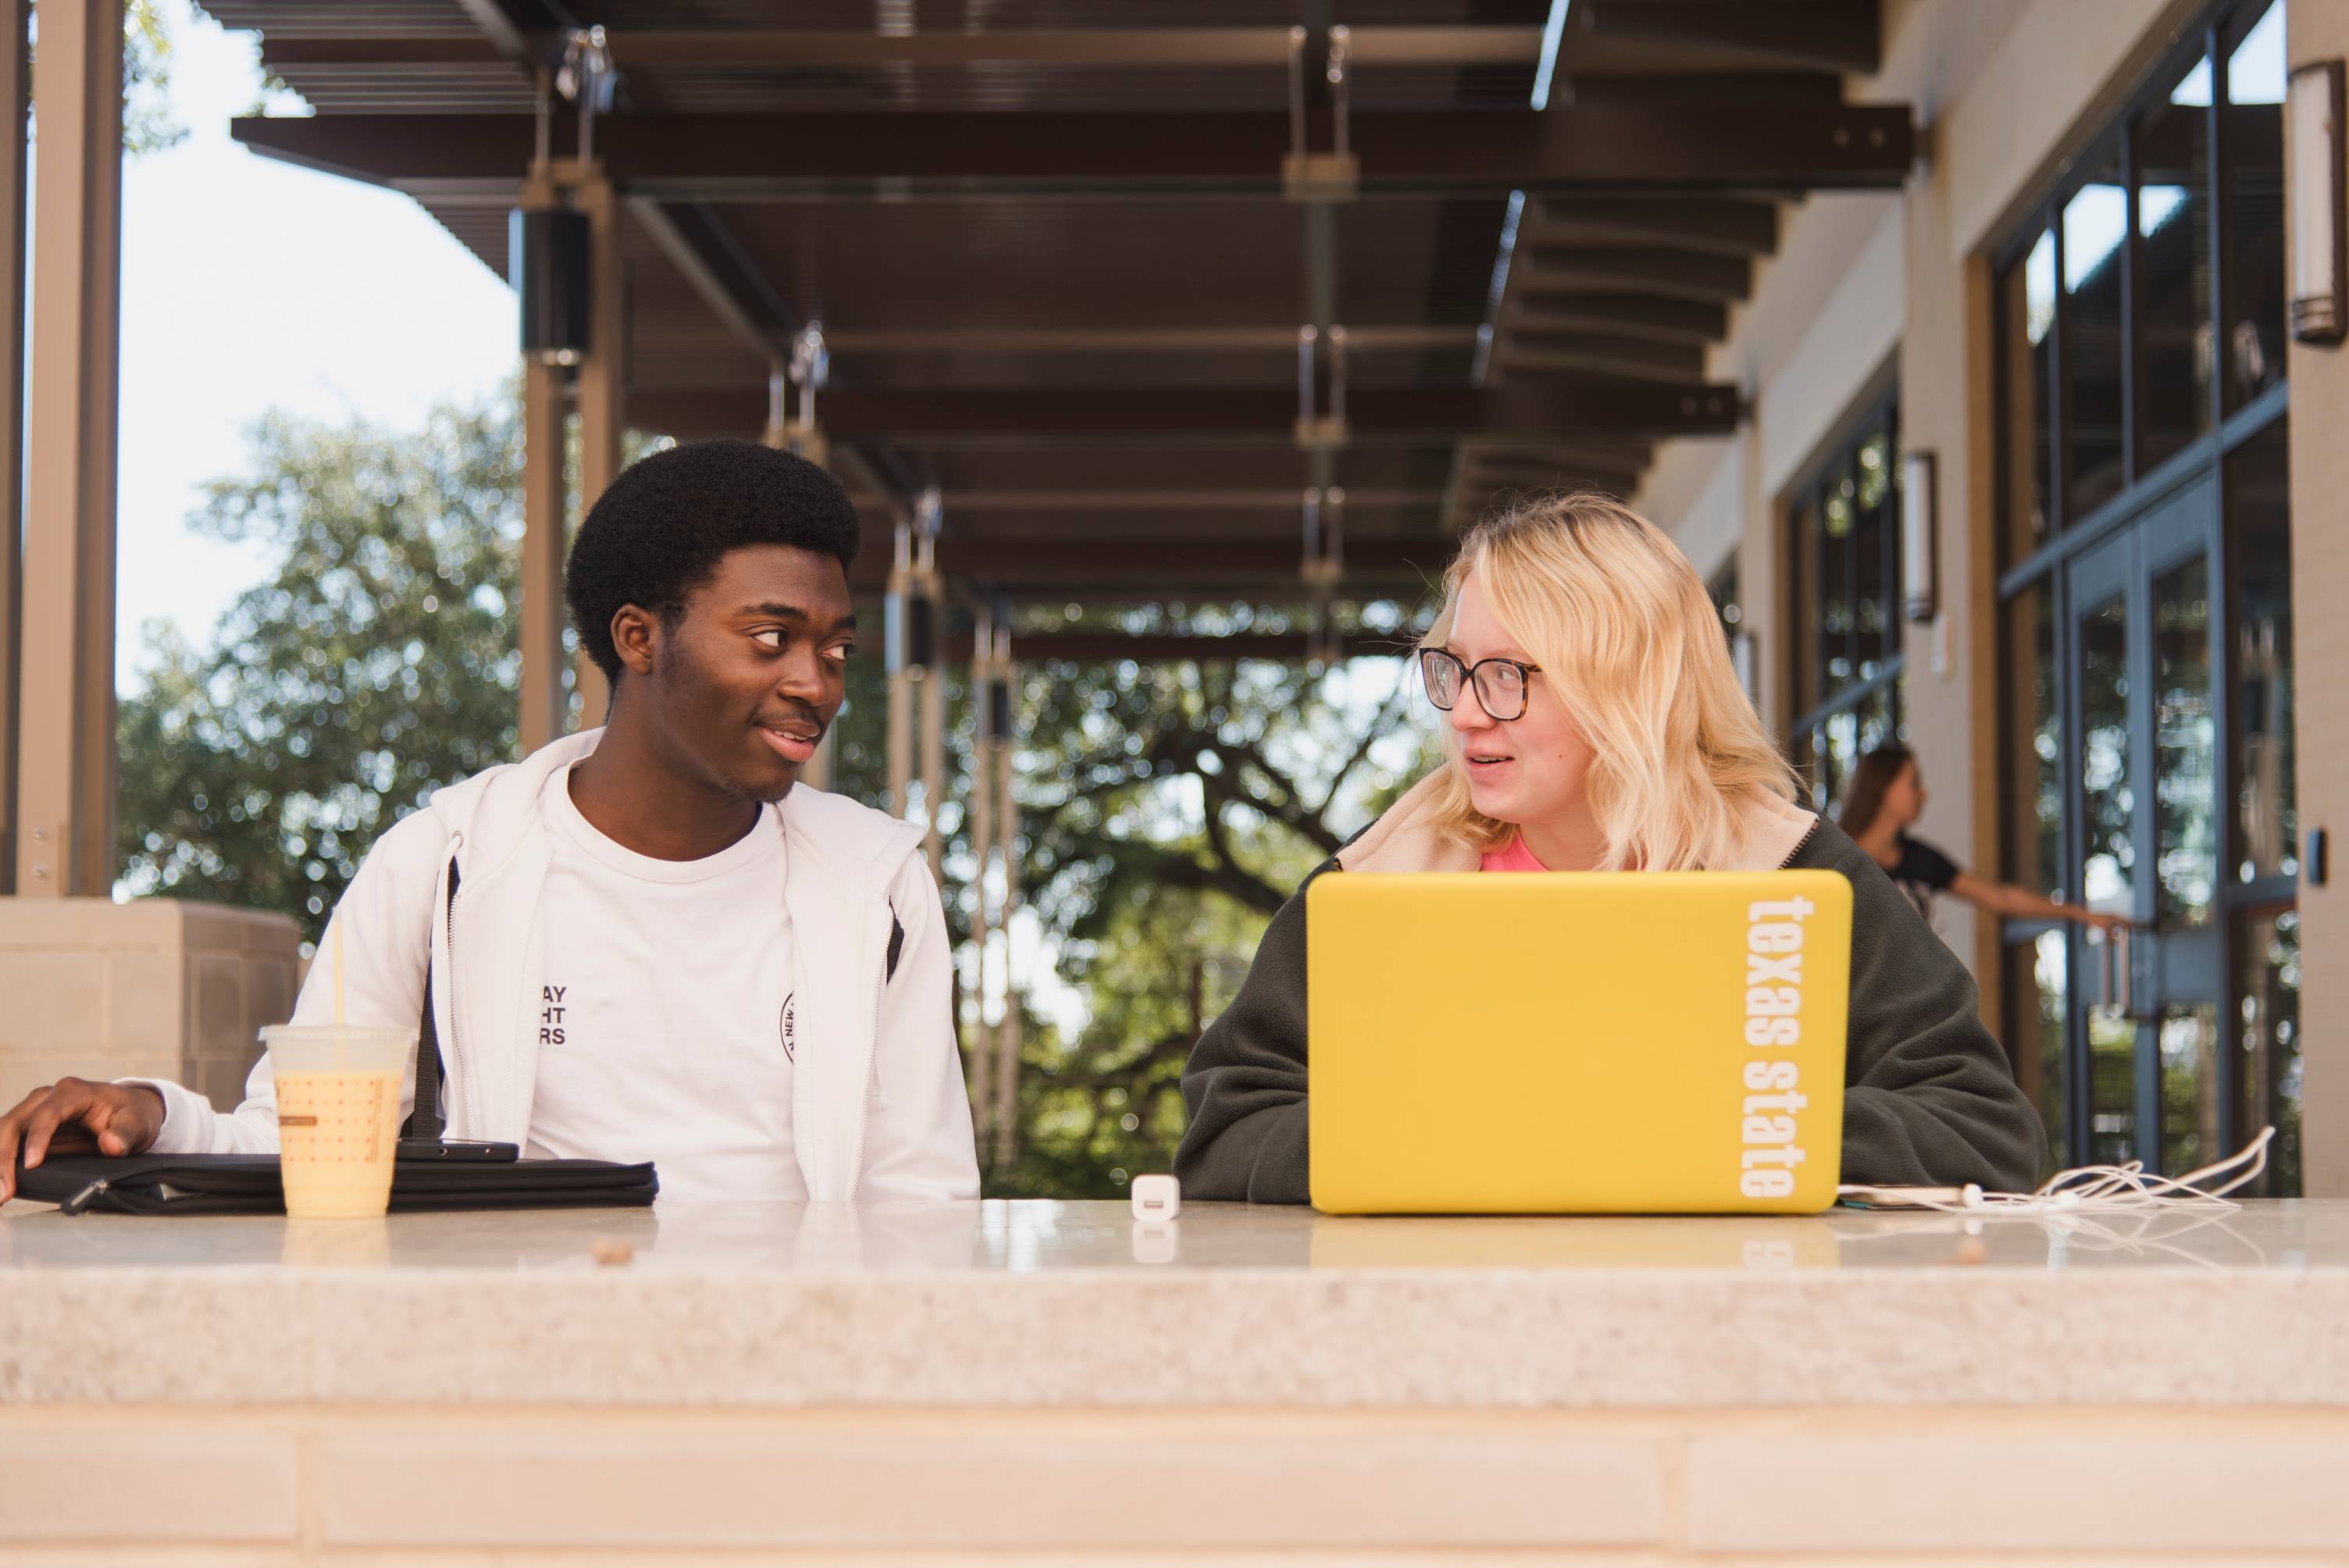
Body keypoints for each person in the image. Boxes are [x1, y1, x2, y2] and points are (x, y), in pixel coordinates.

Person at [0, 440, 979, 1203]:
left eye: (836, 649)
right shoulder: (448, 863)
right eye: (771, 639)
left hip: (793, 1378)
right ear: (639, 637)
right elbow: (302, 1139)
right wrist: (153, 1114)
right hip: (519, 1365)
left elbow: (924, 1196)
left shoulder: (876, 884)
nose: (814, 685)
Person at [1174, 493, 2045, 1203]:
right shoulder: (1378, 884)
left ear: (1628, 689)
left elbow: (1984, 1131)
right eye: (1453, 668)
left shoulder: (1791, 874)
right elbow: (1224, 1127)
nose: (1465, 711)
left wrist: (1717, 1129)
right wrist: (1473, 1137)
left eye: (1507, 675)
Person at [1839, 743, 2129, 935]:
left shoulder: (1919, 859)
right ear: (1883, 790)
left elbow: (2000, 897)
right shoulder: (1838, 859)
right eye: (1914, 783)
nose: (1924, 794)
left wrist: (2082, 915)